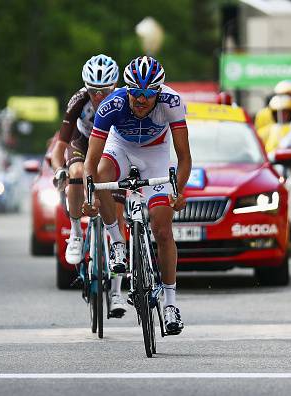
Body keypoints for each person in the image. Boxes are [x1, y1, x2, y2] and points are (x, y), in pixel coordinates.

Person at [82, 56, 191, 335]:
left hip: (156, 154)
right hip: (121, 147)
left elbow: (184, 158)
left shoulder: (172, 103)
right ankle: (118, 242)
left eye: (149, 93)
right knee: (104, 175)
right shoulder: (112, 106)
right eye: (136, 93)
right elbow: (90, 163)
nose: (142, 100)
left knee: (163, 229)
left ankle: (170, 304)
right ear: (127, 89)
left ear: (159, 91)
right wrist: (89, 193)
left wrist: (178, 191)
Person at [49, 54, 128, 317]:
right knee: (76, 171)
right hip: (83, 143)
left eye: (104, 91)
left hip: (110, 146)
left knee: (116, 215)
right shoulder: (79, 101)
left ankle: (117, 292)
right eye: (93, 90)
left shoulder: (123, 100)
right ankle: (75, 232)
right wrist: (59, 169)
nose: (98, 96)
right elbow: (60, 146)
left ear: (114, 86)